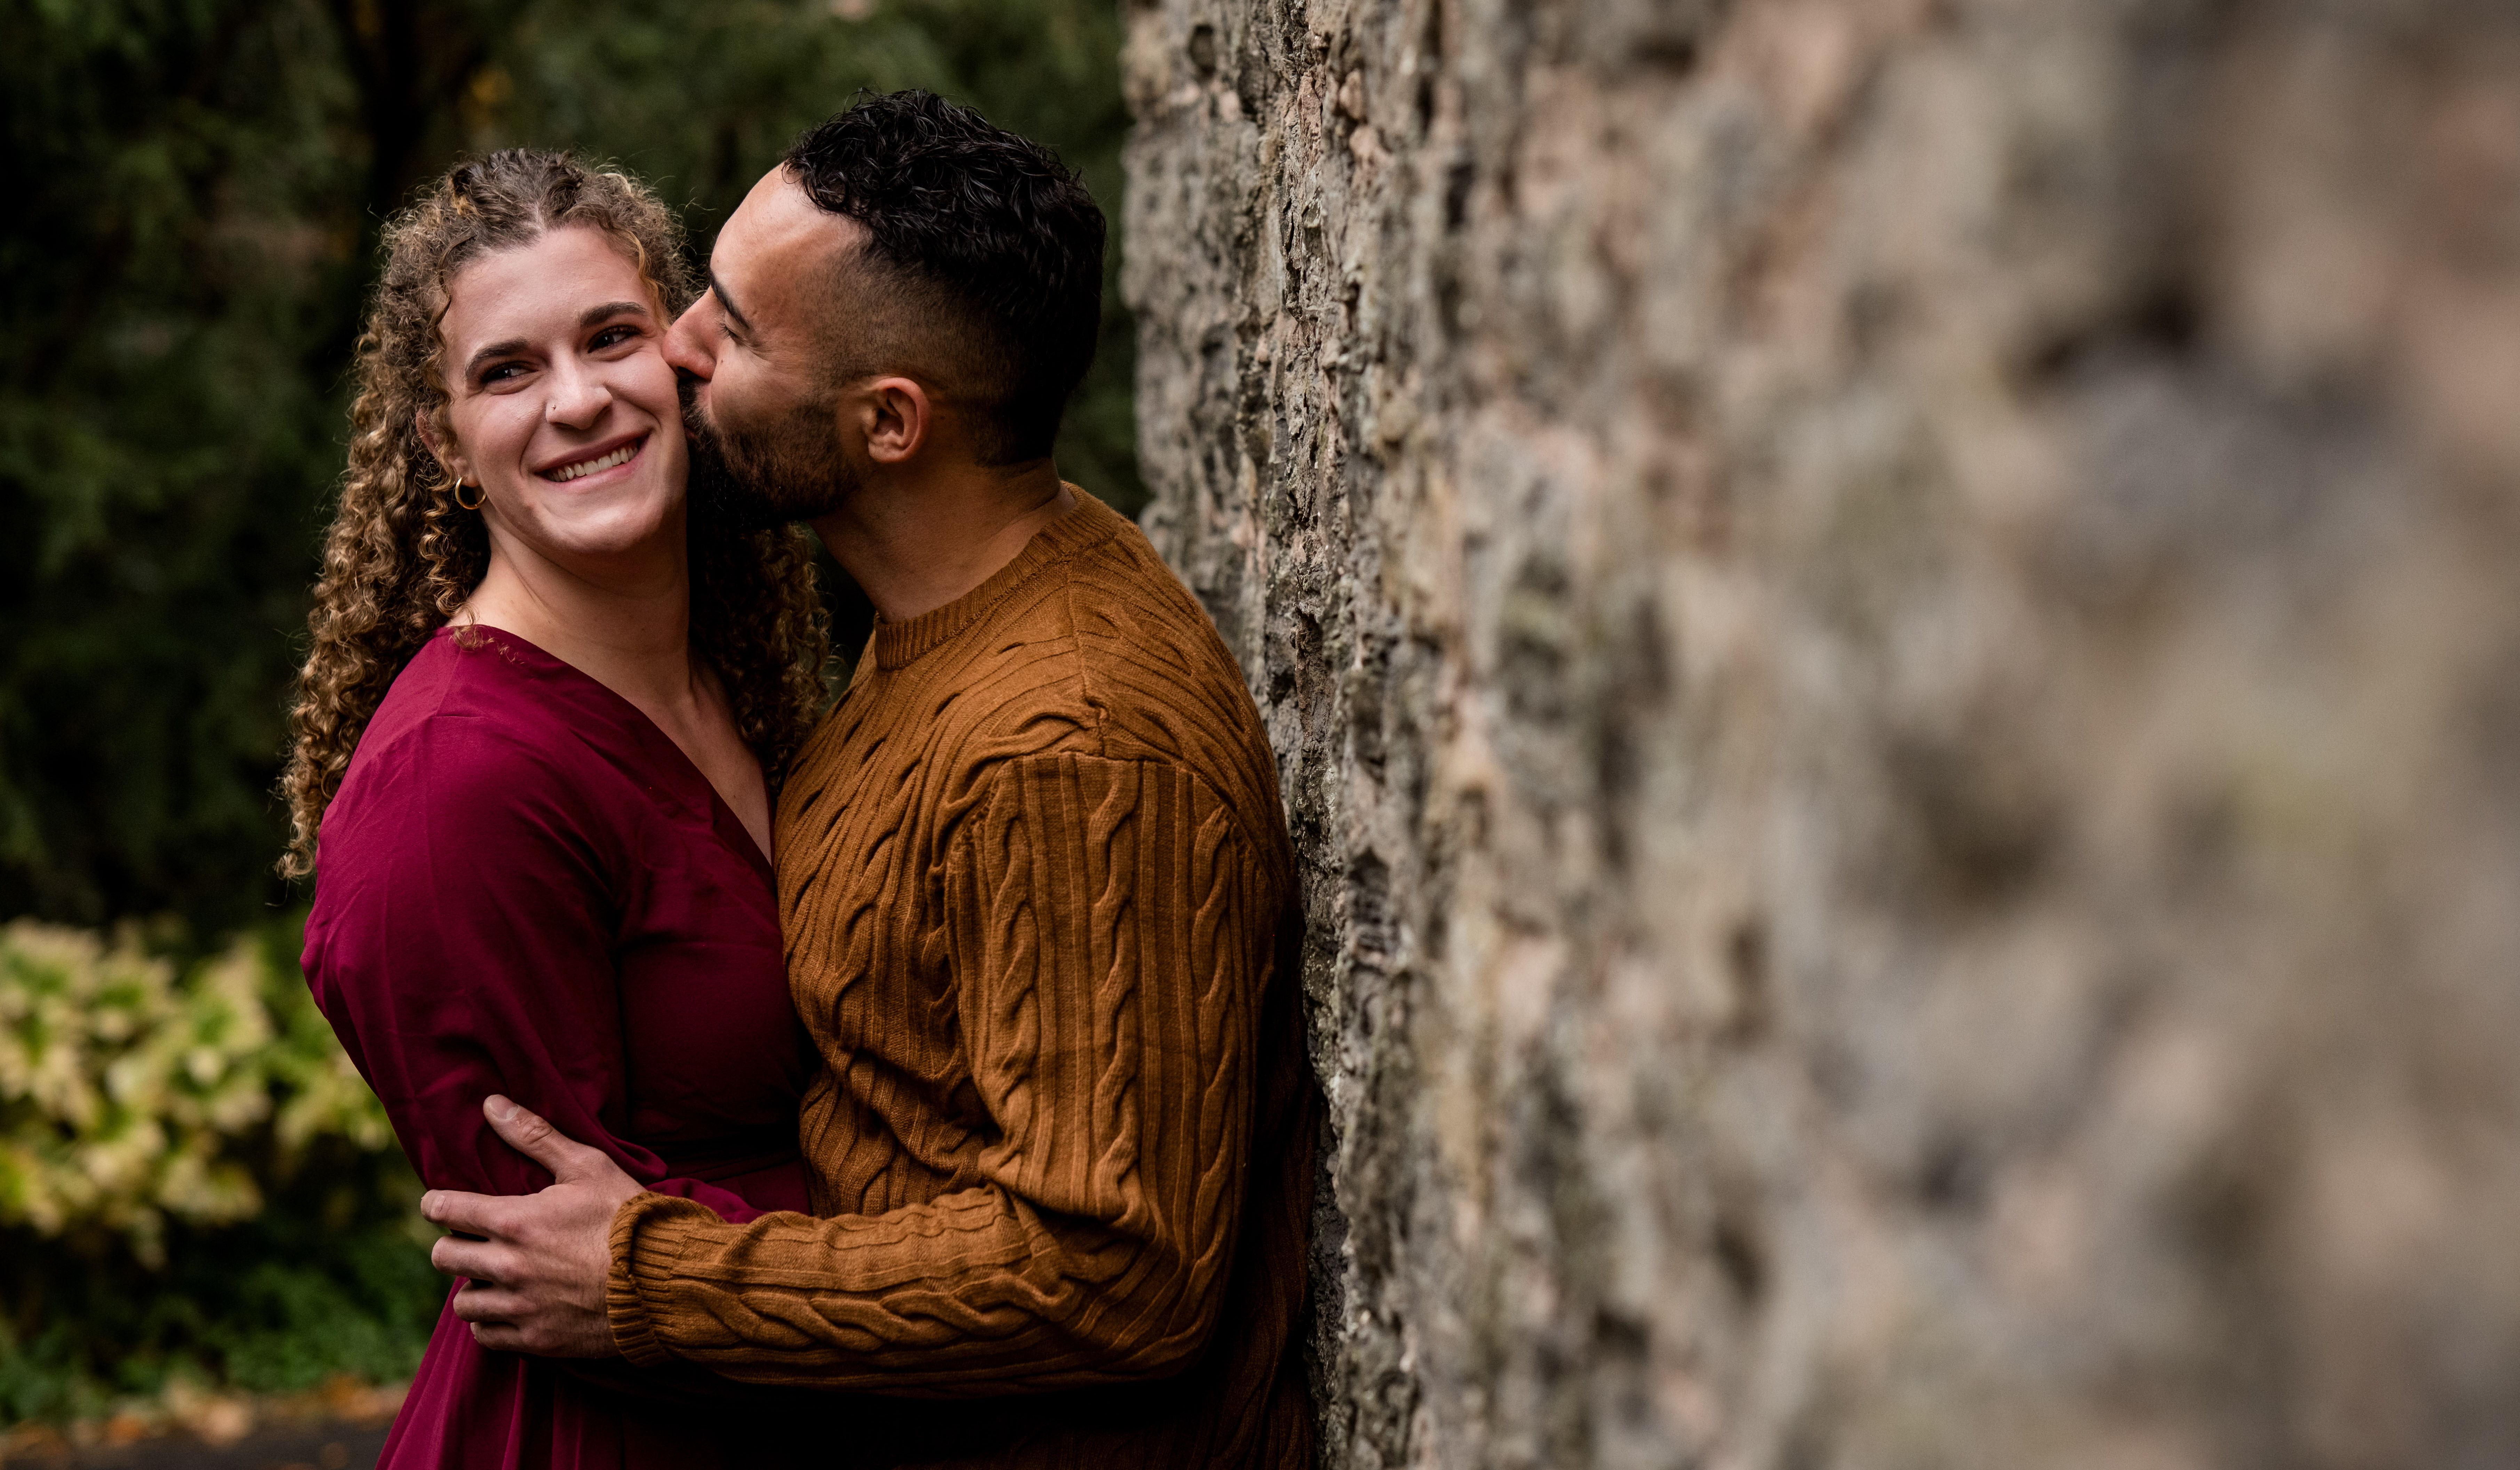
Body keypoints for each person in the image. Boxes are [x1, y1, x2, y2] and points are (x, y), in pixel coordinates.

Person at [419, 91, 1320, 1467]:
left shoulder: (1073, 748)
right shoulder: (949, 606)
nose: (677, 346)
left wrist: (654, 1277)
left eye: (734, 329)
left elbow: (1115, 1271)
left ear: (890, 423)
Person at [280, 149, 832, 1469]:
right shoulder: (456, 784)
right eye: (507, 371)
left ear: (681, 361)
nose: (579, 401)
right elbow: (563, 1260)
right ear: (444, 443)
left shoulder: (738, 680)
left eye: (611, 338)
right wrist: (961, 1268)